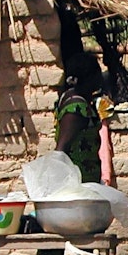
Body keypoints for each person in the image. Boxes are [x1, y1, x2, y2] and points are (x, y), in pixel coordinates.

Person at [54, 53, 115, 186]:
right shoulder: (77, 108)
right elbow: (61, 148)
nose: (100, 77)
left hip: (83, 180)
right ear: (88, 77)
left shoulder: (71, 96)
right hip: (77, 182)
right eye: (97, 73)